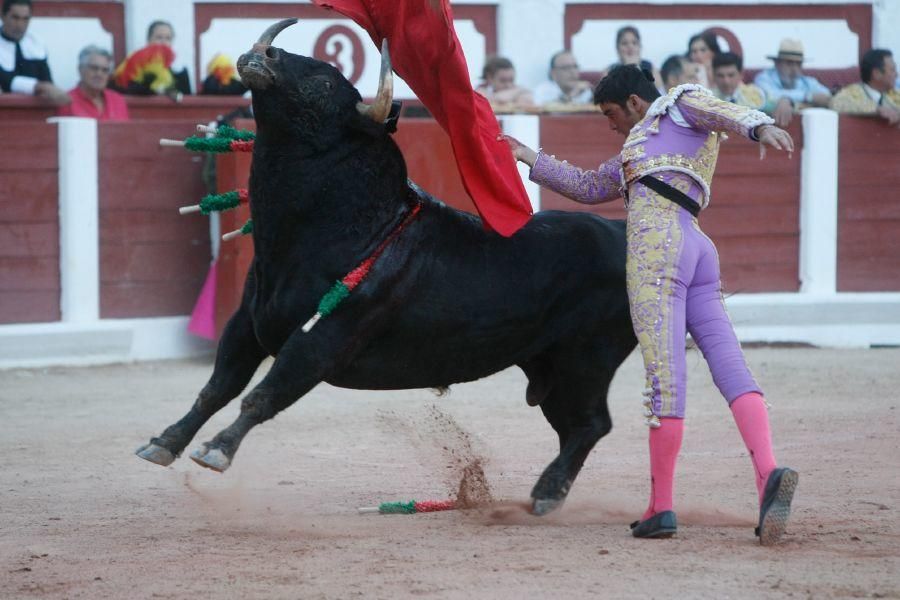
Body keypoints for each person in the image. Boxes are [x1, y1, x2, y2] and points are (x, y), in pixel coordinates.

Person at [500, 65, 798, 545]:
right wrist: (526, 155)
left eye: (612, 113)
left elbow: (720, 109)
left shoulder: (680, 102)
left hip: (658, 250)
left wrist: (758, 125)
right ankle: (768, 476)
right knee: (731, 367)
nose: (611, 124)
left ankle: (661, 507)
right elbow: (589, 186)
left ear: (636, 103)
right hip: (697, 246)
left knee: (665, 378)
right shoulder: (640, 148)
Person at [0, 0, 68, 104]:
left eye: (25, 19)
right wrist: (40, 87)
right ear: (3, 16)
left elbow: (47, 80)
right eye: (15, 18)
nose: (20, 25)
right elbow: (4, 80)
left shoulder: (36, 43)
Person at [754, 39, 831, 127]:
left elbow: (826, 97)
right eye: (789, 63)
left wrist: (790, 102)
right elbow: (768, 96)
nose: (794, 69)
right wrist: (807, 97)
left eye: (798, 64)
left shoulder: (807, 82)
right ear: (777, 63)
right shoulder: (763, 78)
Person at [111, 20, 191, 99]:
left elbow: (187, 99)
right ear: (149, 40)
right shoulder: (135, 62)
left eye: (168, 38)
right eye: (159, 37)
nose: (164, 42)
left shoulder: (179, 71)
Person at [830, 48, 900, 127]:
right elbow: (836, 103)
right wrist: (877, 109)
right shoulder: (852, 92)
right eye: (892, 70)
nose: (896, 75)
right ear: (877, 74)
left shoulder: (895, 94)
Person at [56, 45, 128, 121]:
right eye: (94, 68)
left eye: (105, 70)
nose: (99, 74)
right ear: (80, 69)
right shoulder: (67, 102)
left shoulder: (118, 101)